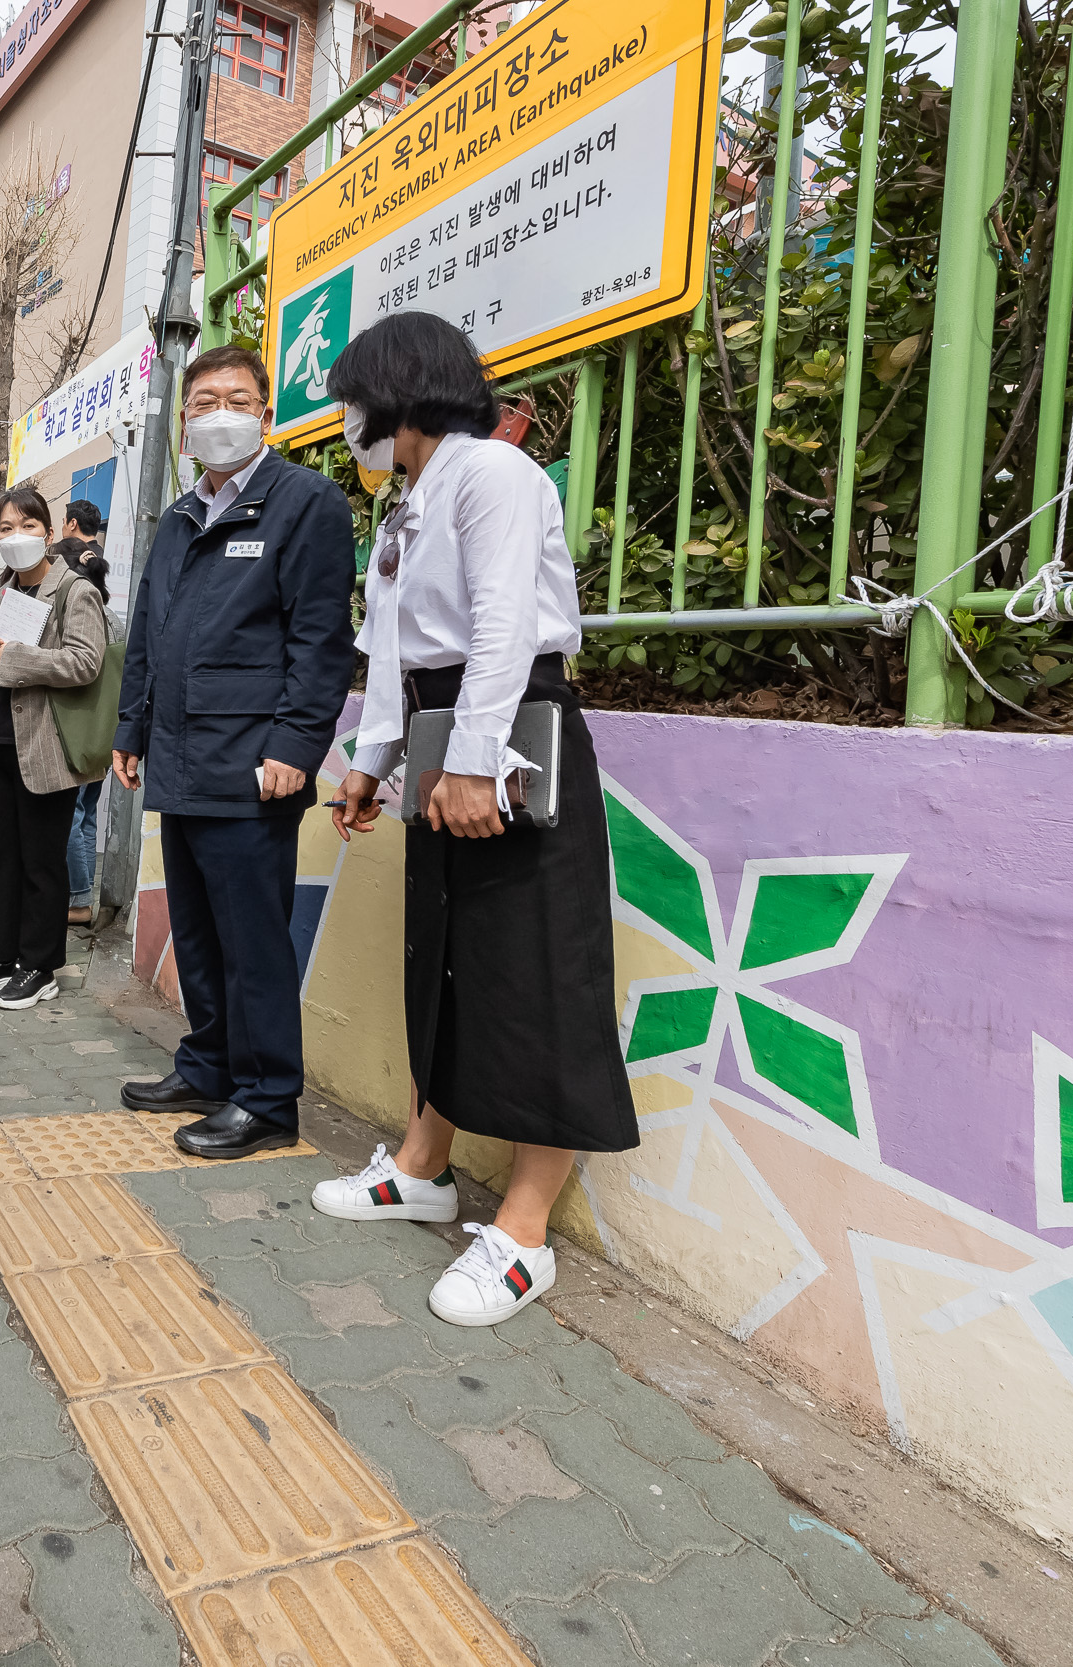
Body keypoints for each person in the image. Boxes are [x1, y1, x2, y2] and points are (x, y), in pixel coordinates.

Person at [315, 311, 639, 1328]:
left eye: (353, 401)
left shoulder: (492, 474)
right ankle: (424, 1165)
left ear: (396, 390)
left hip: (507, 735)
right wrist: (372, 763)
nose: (348, 422)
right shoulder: (407, 506)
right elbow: (392, 657)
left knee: (536, 971)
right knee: (446, 957)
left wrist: (468, 759)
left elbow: (503, 622)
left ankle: (526, 1233)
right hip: (439, 733)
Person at [112, 345, 357, 1159]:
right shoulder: (180, 515)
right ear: (183, 423)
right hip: (180, 758)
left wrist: (295, 743)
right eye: (202, 402)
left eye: (235, 398)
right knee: (199, 929)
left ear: (266, 414)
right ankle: (209, 1064)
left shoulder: (306, 503)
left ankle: (266, 1097)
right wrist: (130, 728)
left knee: (252, 939)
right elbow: (150, 632)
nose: (219, 414)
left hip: (254, 760)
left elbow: (321, 641)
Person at [0, 485, 110, 1009]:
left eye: (28, 526)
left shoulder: (74, 591)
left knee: (41, 861)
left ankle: (40, 966)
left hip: (45, 747)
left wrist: (14, 657)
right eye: (6, 529)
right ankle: (0, 956)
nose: (17, 537)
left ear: (49, 531)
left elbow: (86, 663)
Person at [47, 533, 112, 924]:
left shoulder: (73, 605)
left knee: (70, 814)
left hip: (72, 724)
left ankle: (77, 899)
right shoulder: (109, 611)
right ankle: (81, 896)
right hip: (101, 728)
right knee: (85, 814)